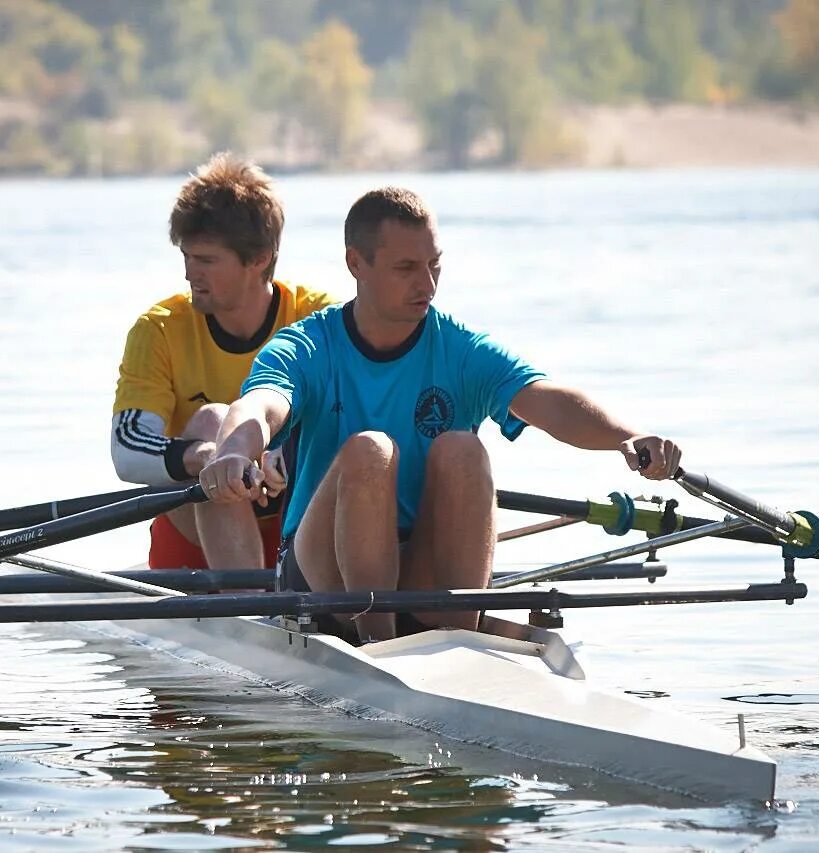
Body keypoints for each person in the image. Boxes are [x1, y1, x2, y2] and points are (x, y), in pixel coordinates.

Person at [199, 186, 682, 641]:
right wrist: (233, 452)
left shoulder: (459, 348)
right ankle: (378, 643)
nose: (426, 283)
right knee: (371, 451)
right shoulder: (307, 346)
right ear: (356, 264)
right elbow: (261, 405)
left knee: (463, 449)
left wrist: (629, 435)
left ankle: (458, 638)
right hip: (324, 576)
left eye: (434, 265)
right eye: (407, 267)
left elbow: (547, 399)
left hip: (423, 566)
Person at [112, 153, 334, 570]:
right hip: (193, 543)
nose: (189, 274)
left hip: (299, 530)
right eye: (187, 257)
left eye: (206, 261)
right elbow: (126, 451)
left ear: (259, 259)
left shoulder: (317, 322)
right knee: (217, 421)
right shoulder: (158, 330)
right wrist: (208, 456)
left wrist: (284, 451)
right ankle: (248, 598)